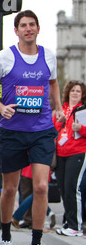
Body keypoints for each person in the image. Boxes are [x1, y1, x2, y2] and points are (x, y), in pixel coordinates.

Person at [0, 10, 65, 245]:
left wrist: (58, 106)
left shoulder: (48, 55)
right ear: (16, 31)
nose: (28, 29)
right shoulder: (4, 57)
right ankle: (5, 239)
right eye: (23, 25)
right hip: (13, 131)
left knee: (40, 187)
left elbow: (53, 83)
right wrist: (0, 107)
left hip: (41, 130)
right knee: (10, 189)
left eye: (32, 25)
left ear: (38, 29)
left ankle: (36, 243)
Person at [54, 80, 86, 237]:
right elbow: (54, 129)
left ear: (82, 94)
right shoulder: (63, 109)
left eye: (78, 91)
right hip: (61, 153)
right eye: (72, 90)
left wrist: (81, 128)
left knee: (73, 189)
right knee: (64, 190)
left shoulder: (84, 111)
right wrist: (58, 122)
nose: (74, 93)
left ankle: (76, 226)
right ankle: (69, 222)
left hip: (78, 153)